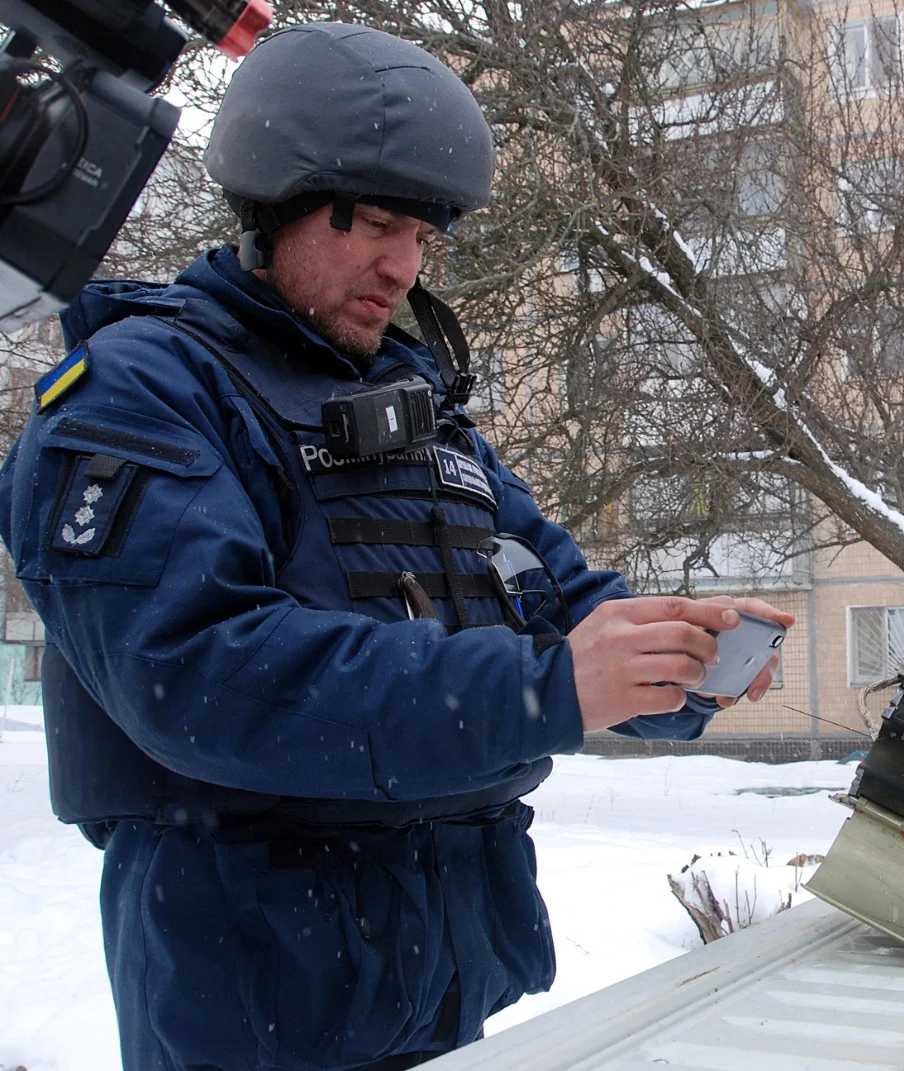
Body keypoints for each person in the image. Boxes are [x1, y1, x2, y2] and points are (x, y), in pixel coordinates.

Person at [0, 23, 791, 1070]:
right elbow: (202, 675)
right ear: (276, 201)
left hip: (442, 968)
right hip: (257, 982)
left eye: (423, 236)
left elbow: (550, 592)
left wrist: (671, 660)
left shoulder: (410, 403)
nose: (403, 266)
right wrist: (544, 692)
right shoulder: (141, 393)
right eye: (377, 224)